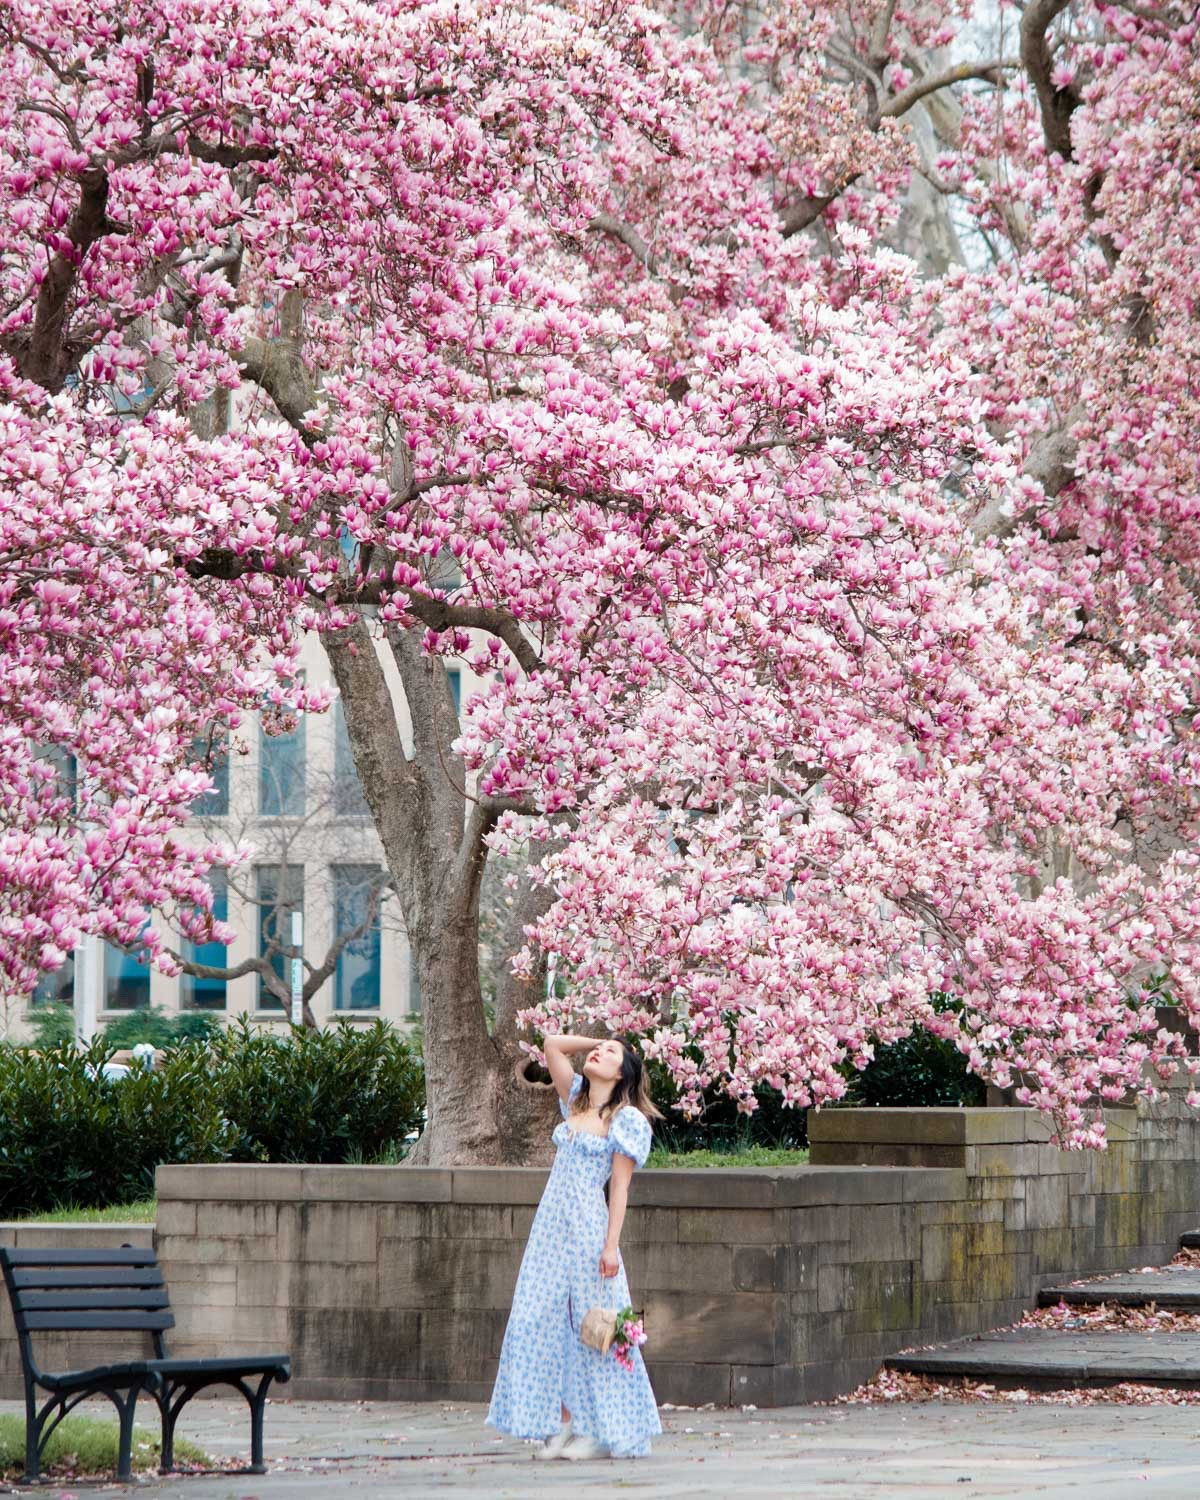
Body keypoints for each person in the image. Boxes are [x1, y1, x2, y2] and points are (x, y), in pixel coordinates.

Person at [487, 1033, 663, 1461]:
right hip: (550, 1228)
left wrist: (611, 1247)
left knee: (595, 1329)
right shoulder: (576, 1099)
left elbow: (619, 1189)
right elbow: (551, 1045)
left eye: (611, 1053)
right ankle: (560, 1423)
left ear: (622, 1073)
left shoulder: (627, 1120)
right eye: (600, 1049)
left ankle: (596, 1428)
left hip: (588, 1228)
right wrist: (599, 1038)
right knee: (536, 1318)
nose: (600, 1053)